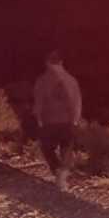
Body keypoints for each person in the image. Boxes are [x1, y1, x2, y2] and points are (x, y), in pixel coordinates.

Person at [33, 49, 82, 191]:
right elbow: (77, 101)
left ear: (47, 63)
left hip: (49, 120)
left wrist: (39, 119)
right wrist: (75, 120)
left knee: (47, 148)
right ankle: (63, 174)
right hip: (68, 120)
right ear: (61, 62)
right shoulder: (71, 80)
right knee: (67, 148)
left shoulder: (42, 80)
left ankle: (57, 171)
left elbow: (38, 102)